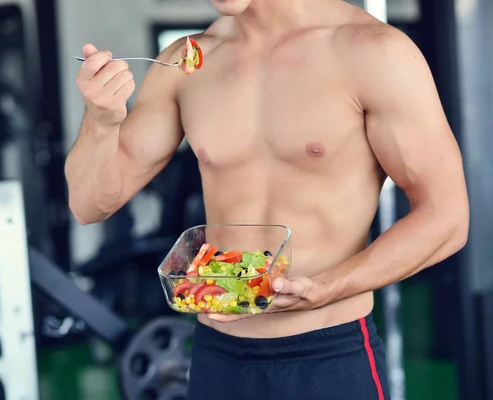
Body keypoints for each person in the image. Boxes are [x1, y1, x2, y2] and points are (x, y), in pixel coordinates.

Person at [65, 0, 469, 398]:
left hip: (328, 354)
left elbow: (446, 217)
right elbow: (89, 203)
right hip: (216, 357)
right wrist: (101, 123)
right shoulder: (187, 61)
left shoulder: (372, 52)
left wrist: (329, 287)